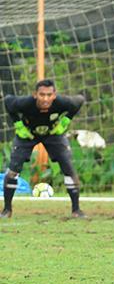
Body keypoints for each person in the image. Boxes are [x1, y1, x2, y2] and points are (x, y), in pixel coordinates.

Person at [2, 79, 86, 218]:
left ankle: (76, 211)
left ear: (54, 95)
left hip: (53, 135)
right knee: (13, 170)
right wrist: (18, 124)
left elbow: (80, 100)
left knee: (68, 168)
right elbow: (8, 101)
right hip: (27, 135)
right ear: (35, 94)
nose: (45, 98)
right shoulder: (25, 103)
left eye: (49, 95)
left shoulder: (63, 102)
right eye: (42, 95)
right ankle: (7, 210)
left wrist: (66, 121)